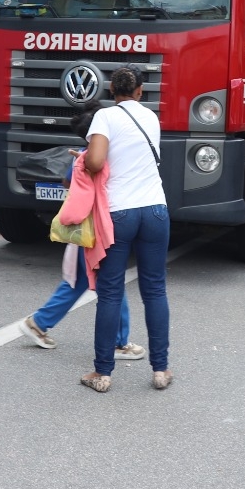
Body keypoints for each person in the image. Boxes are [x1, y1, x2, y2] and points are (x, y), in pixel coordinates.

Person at [18, 103, 144, 360]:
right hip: (97, 228)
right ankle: (119, 342)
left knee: (79, 281)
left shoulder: (86, 155)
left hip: (85, 228)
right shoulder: (102, 156)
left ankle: (38, 323)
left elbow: (67, 181)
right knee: (111, 282)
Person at [81, 66, 172, 392]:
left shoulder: (104, 117)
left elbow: (95, 162)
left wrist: (83, 157)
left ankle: (103, 373)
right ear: (140, 91)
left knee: (110, 292)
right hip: (156, 209)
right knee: (155, 290)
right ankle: (160, 370)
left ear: (111, 89)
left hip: (120, 212)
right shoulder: (151, 118)